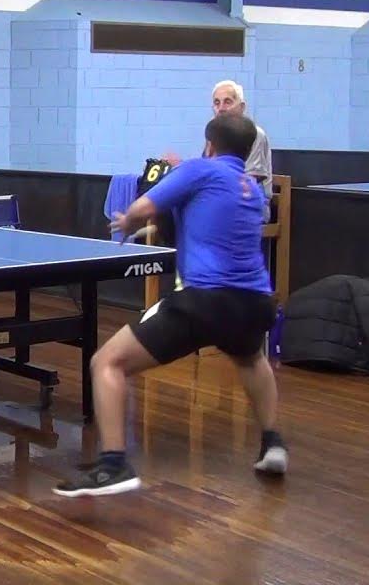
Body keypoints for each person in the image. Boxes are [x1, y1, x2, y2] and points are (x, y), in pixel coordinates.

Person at [53, 113, 286, 498]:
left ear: (209, 145)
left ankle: (113, 465)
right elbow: (209, 220)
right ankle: (273, 443)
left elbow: (144, 206)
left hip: (206, 300)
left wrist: (129, 221)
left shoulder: (199, 169)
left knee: (107, 362)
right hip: (257, 302)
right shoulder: (252, 188)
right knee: (250, 359)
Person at [164, 80, 273, 221]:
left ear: (242, 107)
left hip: (250, 202)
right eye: (217, 103)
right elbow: (206, 171)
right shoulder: (214, 134)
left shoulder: (254, 134)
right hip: (221, 194)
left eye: (227, 102)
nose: (221, 108)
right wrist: (180, 168)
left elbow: (249, 182)